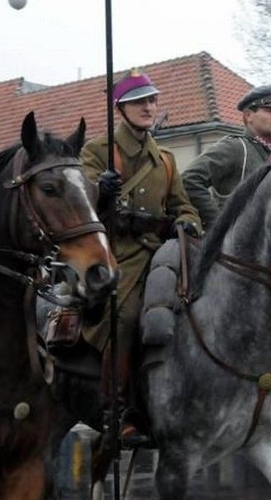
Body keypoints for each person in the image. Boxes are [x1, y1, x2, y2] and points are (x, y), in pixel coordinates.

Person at [80, 69, 202, 447]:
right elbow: (78, 201)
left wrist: (187, 222)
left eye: (152, 101)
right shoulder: (99, 151)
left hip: (161, 254)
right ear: (121, 107)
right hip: (117, 253)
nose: (149, 107)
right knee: (128, 315)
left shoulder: (164, 159)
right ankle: (115, 413)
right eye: (139, 101)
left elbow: (185, 206)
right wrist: (99, 188)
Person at [182, 84, 271, 230]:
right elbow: (189, 179)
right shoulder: (235, 147)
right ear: (248, 116)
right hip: (233, 247)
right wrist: (219, 222)